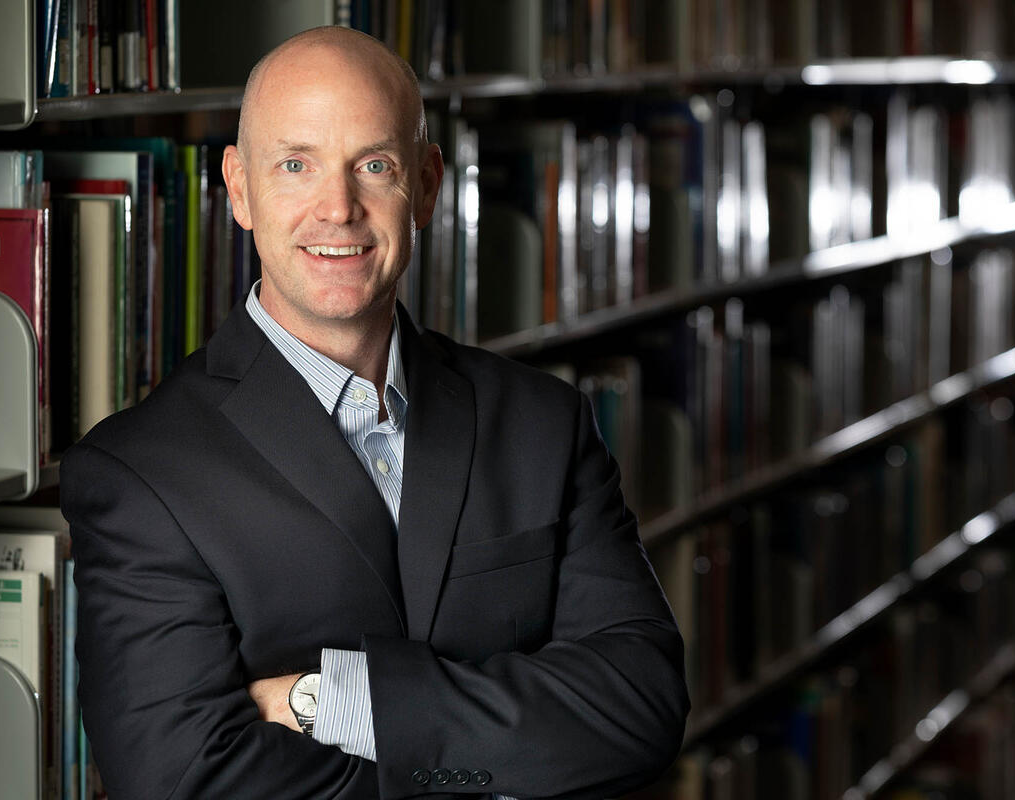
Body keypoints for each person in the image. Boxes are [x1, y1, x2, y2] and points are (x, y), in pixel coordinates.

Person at [60, 25, 689, 800]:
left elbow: (641, 705)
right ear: (240, 189)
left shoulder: (543, 422)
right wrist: (507, 751)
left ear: (425, 186)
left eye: (374, 166)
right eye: (296, 164)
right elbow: (183, 781)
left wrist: (333, 703)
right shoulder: (139, 473)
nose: (338, 208)